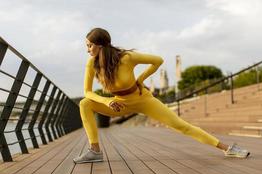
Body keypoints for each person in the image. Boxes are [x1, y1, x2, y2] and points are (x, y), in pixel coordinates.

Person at [73, 28, 250, 164]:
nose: (87, 50)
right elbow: (87, 92)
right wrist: (107, 100)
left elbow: (157, 60)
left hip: (143, 100)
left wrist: (140, 79)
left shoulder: (126, 58)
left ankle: (227, 148)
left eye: (89, 45)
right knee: (85, 103)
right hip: (118, 104)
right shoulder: (92, 64)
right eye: (86, 46)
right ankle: (95, 151)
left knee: (180, 126)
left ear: (100, 45)